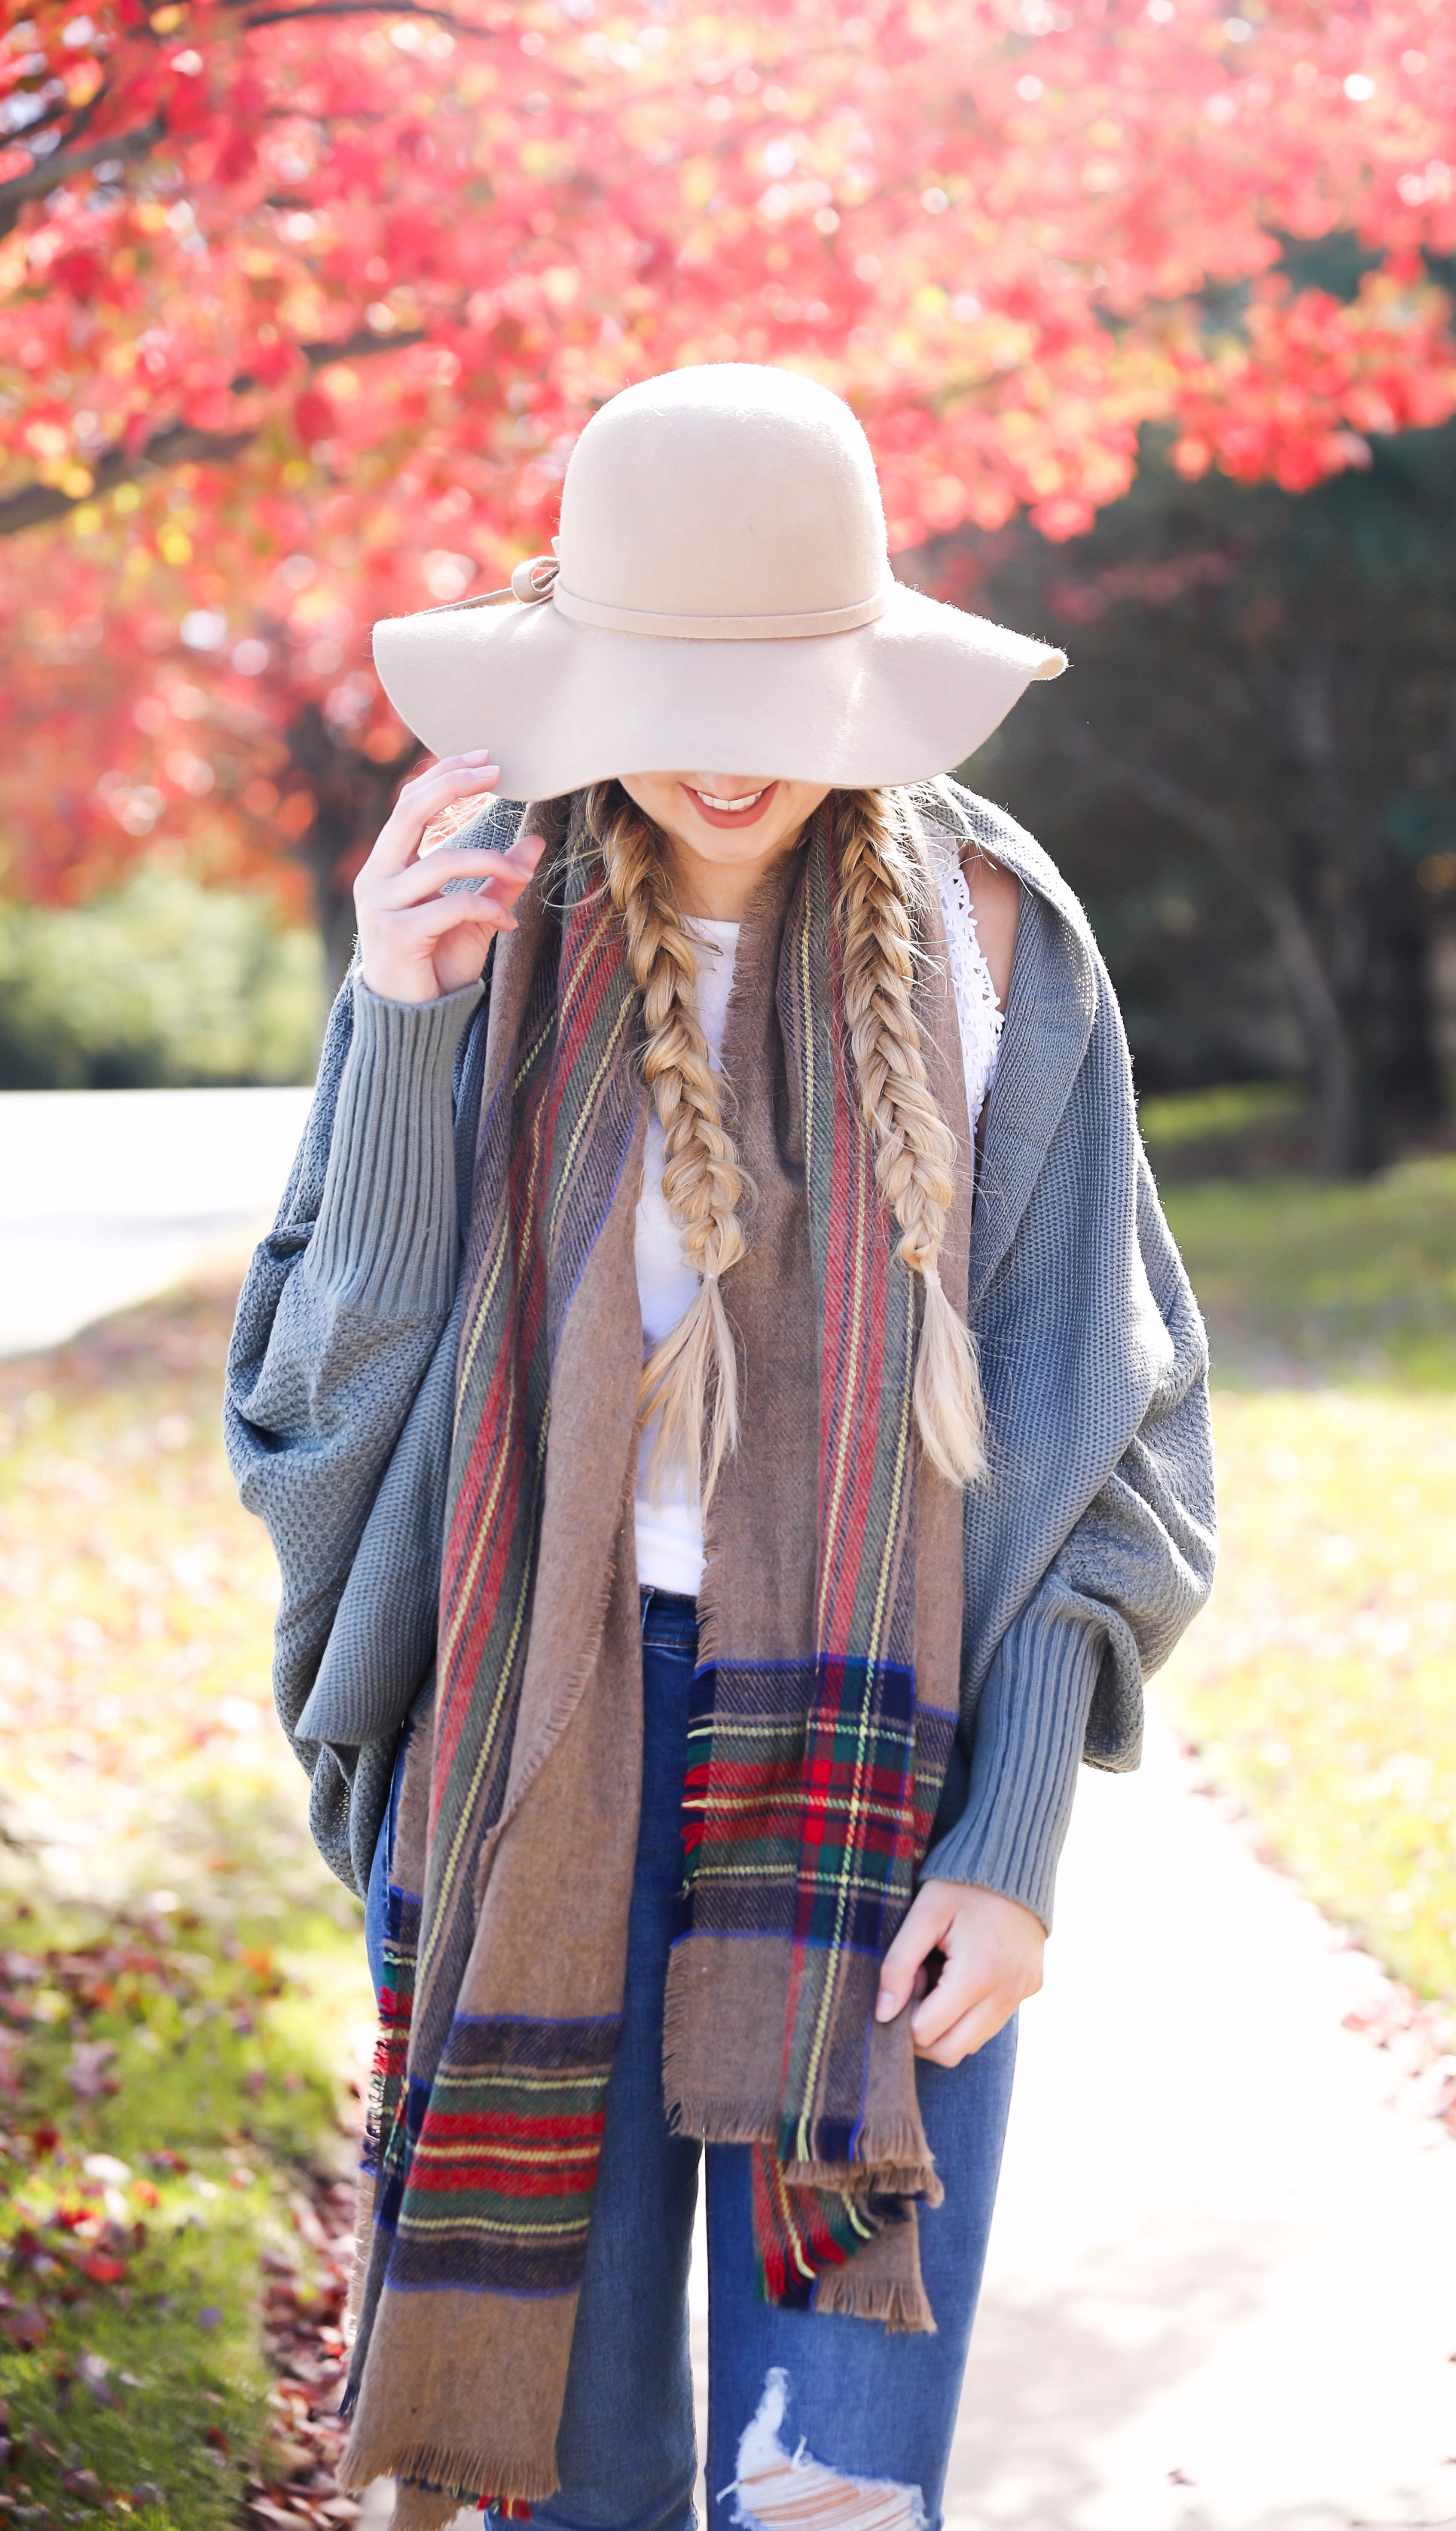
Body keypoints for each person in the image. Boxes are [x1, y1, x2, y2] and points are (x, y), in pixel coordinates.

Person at [226, 363, 1217, 2531]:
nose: (725, 741)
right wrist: (397, 1029)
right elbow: (320, 1410)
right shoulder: (482, 921)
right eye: (672, 678)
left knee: (834, 2486)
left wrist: (1018, 1828)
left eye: (776, 680)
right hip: (531, 1762)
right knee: (566, 2485)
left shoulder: (992, 942)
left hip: (887, 1766)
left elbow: (1114, 1428)